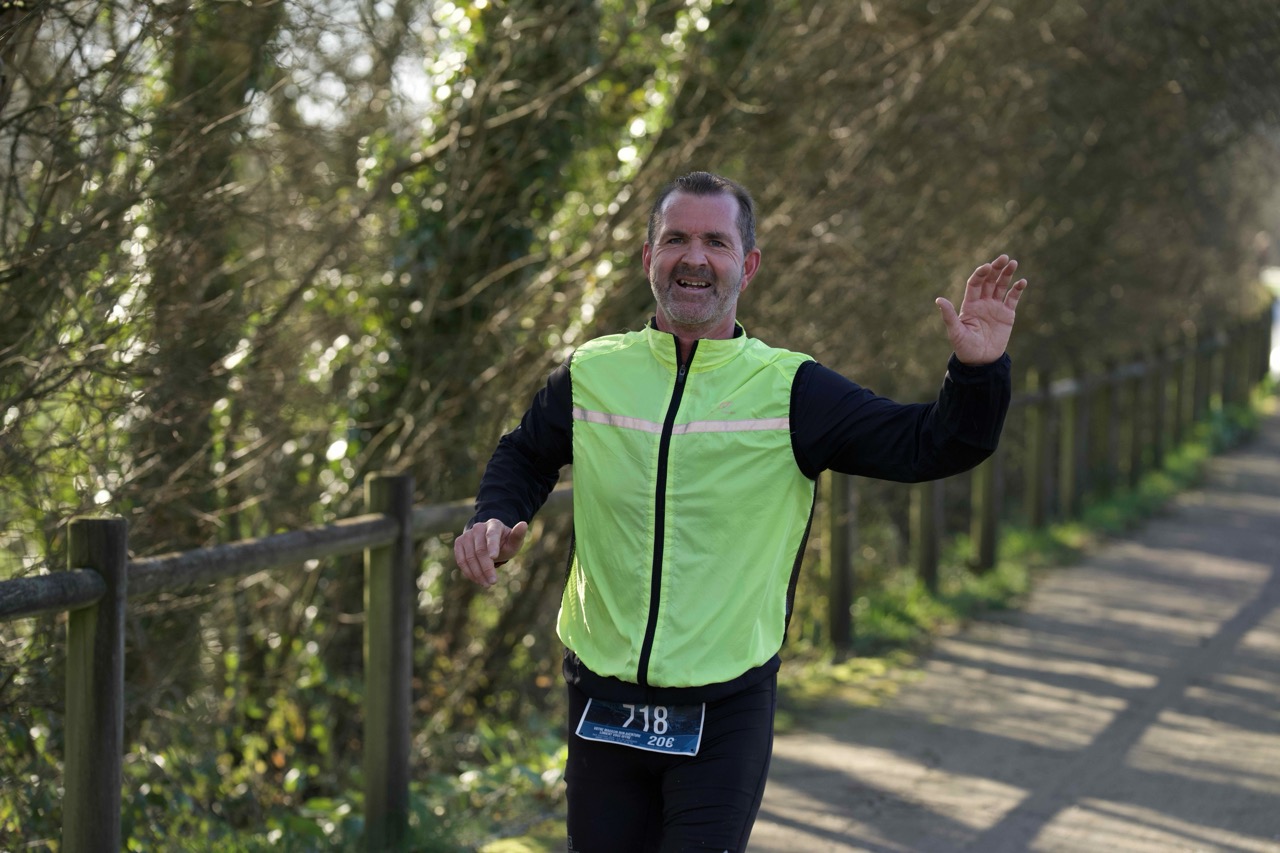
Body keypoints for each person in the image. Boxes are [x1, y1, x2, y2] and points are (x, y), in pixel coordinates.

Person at [454, 171, 1028, 852]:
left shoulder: (791, 390)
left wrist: (976, 372)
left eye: (716, 242)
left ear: (748, 266)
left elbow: (931, 445)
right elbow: (524, 453)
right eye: (676, 239)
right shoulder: (591, 372)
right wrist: (494, 517)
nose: (694, 258)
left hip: (724, 710)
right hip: (601, 701)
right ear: (648, 257)